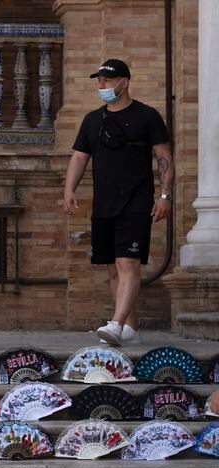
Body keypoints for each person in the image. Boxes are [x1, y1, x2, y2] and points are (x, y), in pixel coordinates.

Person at [63, 59, 173, 346]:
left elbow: (164, 157)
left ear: (124, 81)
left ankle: (116, 323)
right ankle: (130, 329)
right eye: (99, 80)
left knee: (128, 262)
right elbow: (79, 157)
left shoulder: (147, 116)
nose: (102, 85)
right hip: (104, 205)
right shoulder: (92, 120)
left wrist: (164, 195)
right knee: (113, 268)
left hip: (137, 203)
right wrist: (69, 189)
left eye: (107, 80)